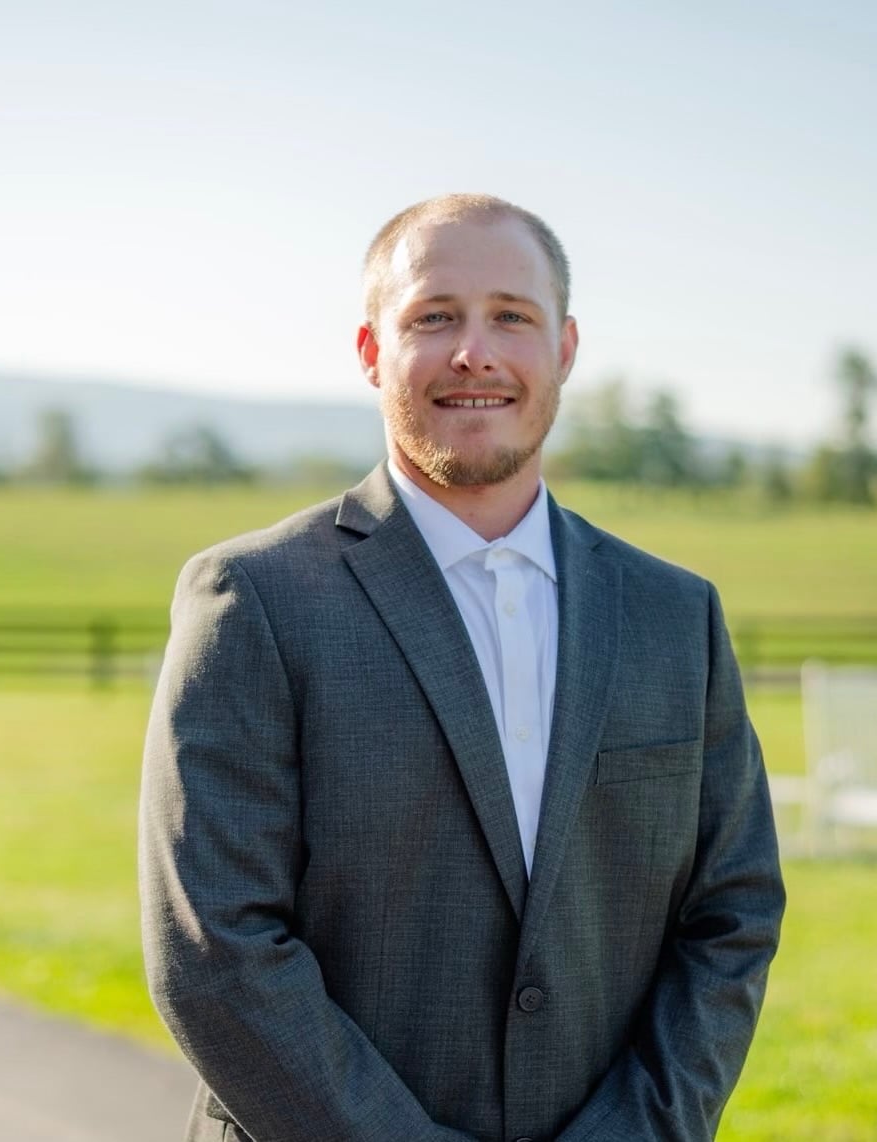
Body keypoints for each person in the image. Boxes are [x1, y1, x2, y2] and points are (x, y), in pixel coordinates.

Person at [140, 193, 785, 1142]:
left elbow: (729, 915)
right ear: (371, 352)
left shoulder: (673, 616)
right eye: (434, 316)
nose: (474, 352)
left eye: (510, 318)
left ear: (563, 350)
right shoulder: (253, 600)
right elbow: (215, 951)